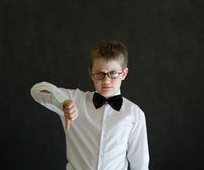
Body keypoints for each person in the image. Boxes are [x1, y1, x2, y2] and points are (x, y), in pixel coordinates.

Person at [30, 40, 150, 170]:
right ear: (91, 73)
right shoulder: (75, 100)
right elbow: (36, 90)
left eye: (113, 73)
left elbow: (140, 164)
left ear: (124, 73)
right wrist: (63, 103)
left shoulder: (134, 113)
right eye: (99, 74)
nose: (106, 80)